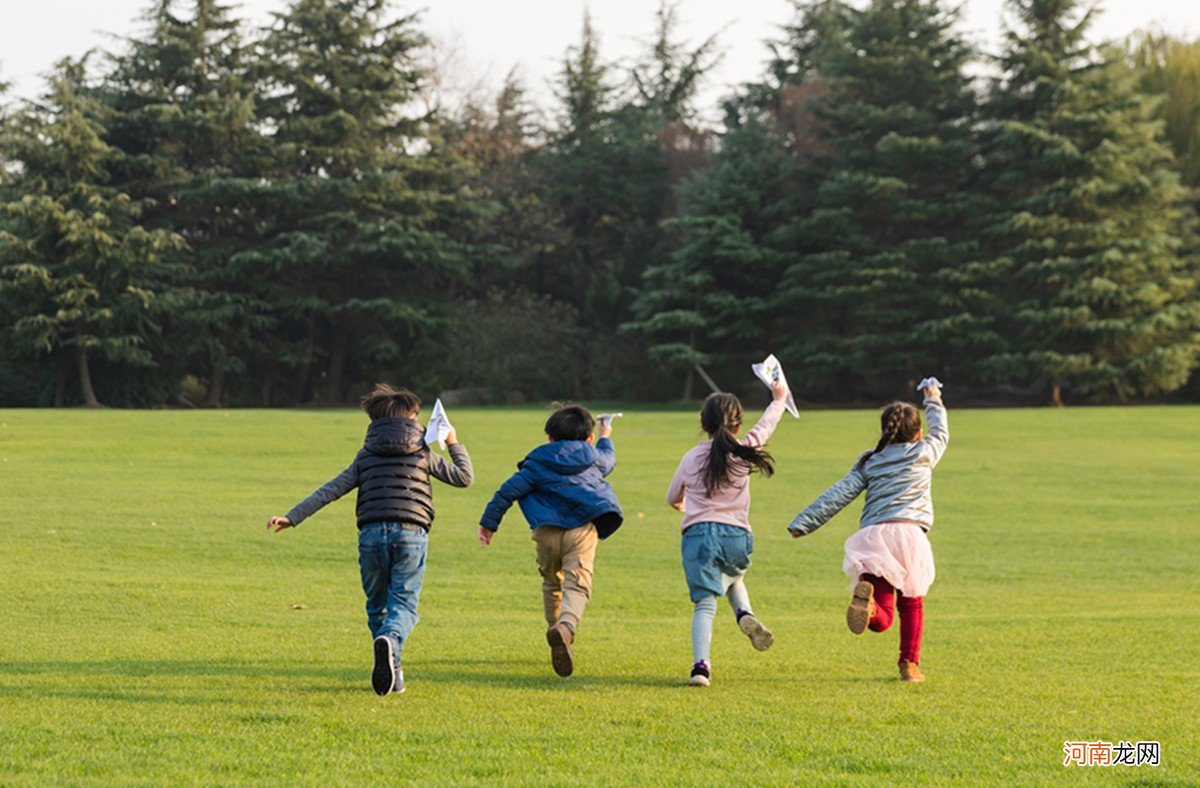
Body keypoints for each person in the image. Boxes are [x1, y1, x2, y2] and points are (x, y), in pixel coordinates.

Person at [266, 384, 473, 696]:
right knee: (403, 603)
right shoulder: (423, 454)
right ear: (412, 420)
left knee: (377, 606)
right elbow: (464, 477)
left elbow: (330, 489)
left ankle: (395, 672)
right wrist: (454, 442)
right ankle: (390, 643)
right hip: (411, 534)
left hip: (371, 535)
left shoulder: (365, 455)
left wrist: (292, 517)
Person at [787, 381, 949, 682]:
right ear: (918, 433)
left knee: (883, 618)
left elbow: (839, 493)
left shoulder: (870, 461)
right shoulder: (924, 452)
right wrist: (933, 398)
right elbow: (941, 431)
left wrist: (803, 523)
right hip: (910, 537)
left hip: (875, 538)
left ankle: (871, 606)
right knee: (912, 603)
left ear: (884, 431)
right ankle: (909, 666)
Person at [478, 405, 623, 677]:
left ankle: (553, 629)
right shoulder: (594, 458)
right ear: (588, 438)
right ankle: (566, 627)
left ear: (550, 439)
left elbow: (506, 493)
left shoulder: (537, 464)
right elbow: (609, 459)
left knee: (551, 582)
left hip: (546, 532)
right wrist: (607, 433)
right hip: (581, 529)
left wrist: (488, 524)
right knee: (577, 584)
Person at [666, 380, 789, 687]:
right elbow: (767, 425)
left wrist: (683, 505)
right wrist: (779, 399)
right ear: (737, 425)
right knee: (734, 574)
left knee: (705, 604)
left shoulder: (690, 457)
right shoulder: (744, 451)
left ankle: (701, 668)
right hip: (737, 536)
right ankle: (744, 611)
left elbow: (672, 497)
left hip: (698, 536)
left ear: (702, 424)